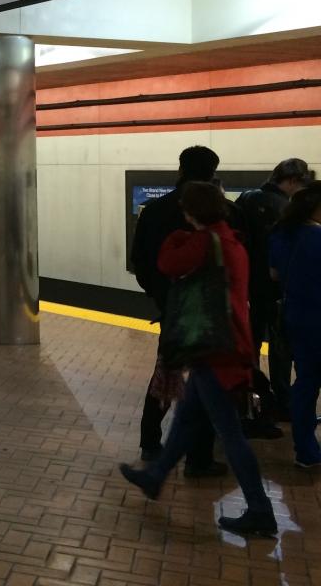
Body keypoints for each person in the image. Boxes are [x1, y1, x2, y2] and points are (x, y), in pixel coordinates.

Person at [119, 182, 275, 537]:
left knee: (230, 434)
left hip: (215, 350)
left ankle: (260, 509)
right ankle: (155, 477)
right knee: (186, 419)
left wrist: (176, 235)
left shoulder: (206, 242)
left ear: (191, 211)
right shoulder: (231, 239)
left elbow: (167, 263)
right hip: (227, 343)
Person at [129, 145, 226, 469]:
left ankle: (150, 441)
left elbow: (140, 262)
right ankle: (200, 454)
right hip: (211, 317)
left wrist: (161, 295)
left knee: (166, 375)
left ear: (181, 169)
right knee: (208, 379)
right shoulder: (222, 213)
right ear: (212, 173)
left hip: (171, 310)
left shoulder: (154, 210)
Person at [236, 157, 314, 427]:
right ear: (292, 181)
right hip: (275, 291)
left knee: (251, 344)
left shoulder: (245, 199)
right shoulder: (285, 208)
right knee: (281, 348)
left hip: (246, 288)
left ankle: (250, 397)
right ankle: (282, 401)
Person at [269, 182, 321, 468]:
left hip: (295, 316)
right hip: (317, 317)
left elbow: (274, 275)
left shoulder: (281, 233)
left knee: (305, 383)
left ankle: (306, 448)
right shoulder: (318, 236)